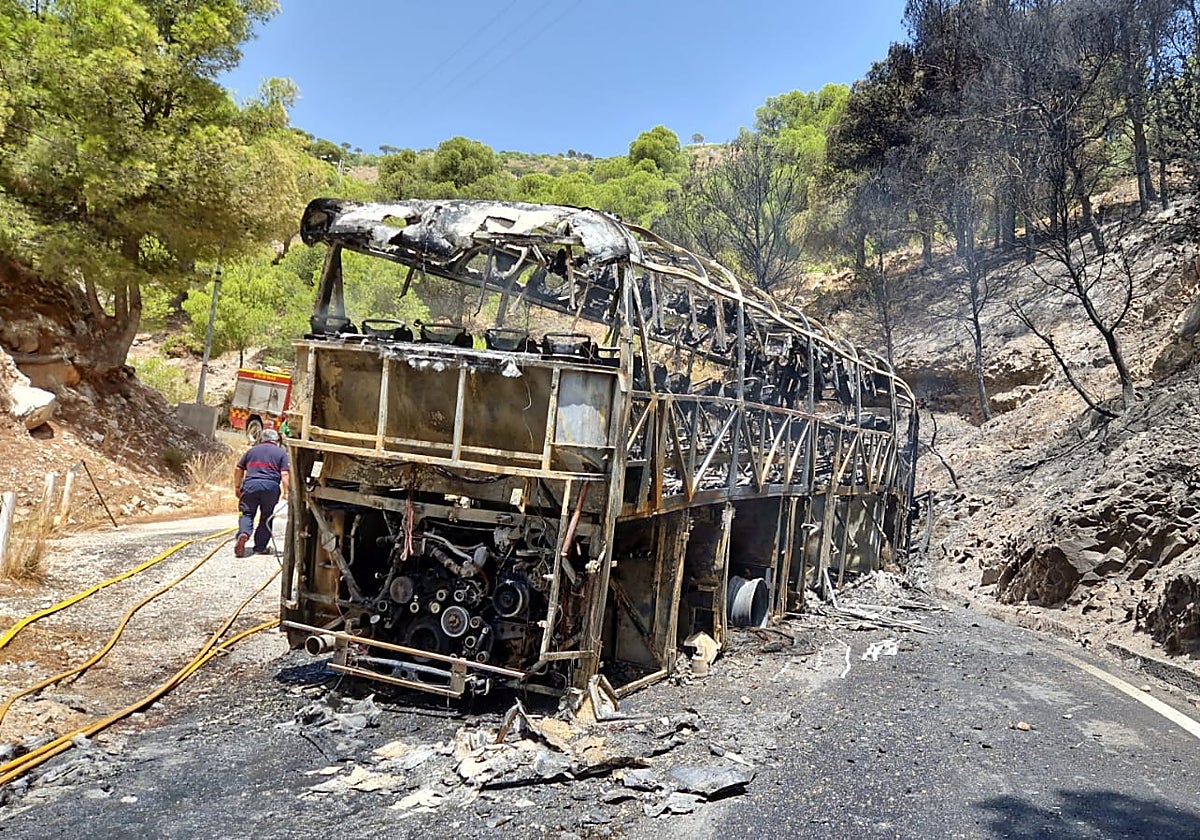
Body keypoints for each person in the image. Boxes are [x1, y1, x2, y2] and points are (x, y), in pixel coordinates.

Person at [233, 427, 289, 557]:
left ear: (262, 439)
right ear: (276, 440)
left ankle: (244, 534)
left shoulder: (251, 451)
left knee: (246, 513)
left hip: (250, 486)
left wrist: (237, 486)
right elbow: (285, 474)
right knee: (266, 517)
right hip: (271, 487)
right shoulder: (281, 453)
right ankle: (260, 547)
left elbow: (238, 468)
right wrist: (286, 492)